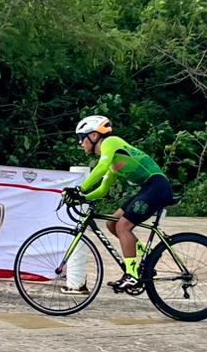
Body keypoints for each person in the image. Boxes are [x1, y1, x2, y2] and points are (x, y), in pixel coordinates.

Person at [64, 115, 175, 293]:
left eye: (81, 138)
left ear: (94, 136)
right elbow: (102, 190)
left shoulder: (111, 142)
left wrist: (80, 189)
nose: (80, 144)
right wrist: (83, 198)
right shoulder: (114, 163)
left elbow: (99, 168)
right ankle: (147, 257)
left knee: (123, 226)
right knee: (112, 223)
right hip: (149, 187)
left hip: (157, 186)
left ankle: (131, 275)